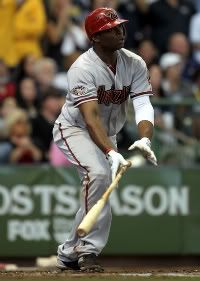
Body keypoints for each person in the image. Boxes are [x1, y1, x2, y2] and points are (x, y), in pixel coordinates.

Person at [53, 7, 157, 273]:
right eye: (110, 29)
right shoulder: (82, 68)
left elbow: (143, 104)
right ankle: (87, 252)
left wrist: (145, 139)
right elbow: (90, 119)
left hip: (105, 134)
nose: (119, 31)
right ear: (95, 37)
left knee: (99, 186)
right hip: (74, 128)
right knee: (98, 174)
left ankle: (67, 253)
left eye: (119, 26)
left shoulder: (134, 62)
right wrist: (111, 153)